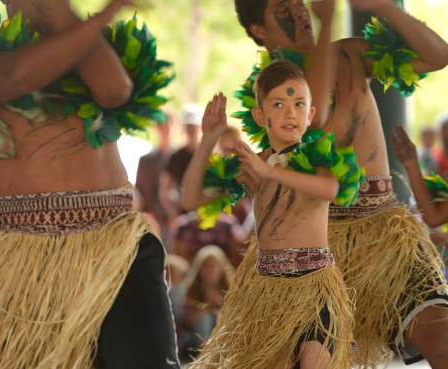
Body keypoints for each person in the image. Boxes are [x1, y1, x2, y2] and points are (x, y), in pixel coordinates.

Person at [0, 1, 179, 368]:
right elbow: (13, 80)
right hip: (18, 260)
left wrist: (66, 15)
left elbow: (115, 91)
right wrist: (104, 13)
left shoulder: (95, 50)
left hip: (114, 252)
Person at [234, 0, 448, 366]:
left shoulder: (348, 54)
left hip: (386, 238)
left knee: (442, 337)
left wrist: (387, 8)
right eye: (282, 7)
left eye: (298, 0)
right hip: (314, 254)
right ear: (258, 29)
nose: (298, 9)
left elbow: (437, 56)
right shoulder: (274, 92)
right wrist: (328, 21)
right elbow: (320, 119)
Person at [182, 53, 355, 369]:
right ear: (261, 117)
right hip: (268, 293)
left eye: (299, 105)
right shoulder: (253, 164)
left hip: (315, 288)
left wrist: (270, 174)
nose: (291, 113)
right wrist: (209, 140)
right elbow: (190, 199)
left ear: (310, 114)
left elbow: (330, 190)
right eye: (279, 105)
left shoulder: (318, 158)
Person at [160, 104, 204, 220]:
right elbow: (165, 190)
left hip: (207, 214)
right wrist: (174, 217)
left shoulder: (211, 154)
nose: (191, 130)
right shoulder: (175, 157)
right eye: (188, 126)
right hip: (184, 216)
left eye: (193, 126)